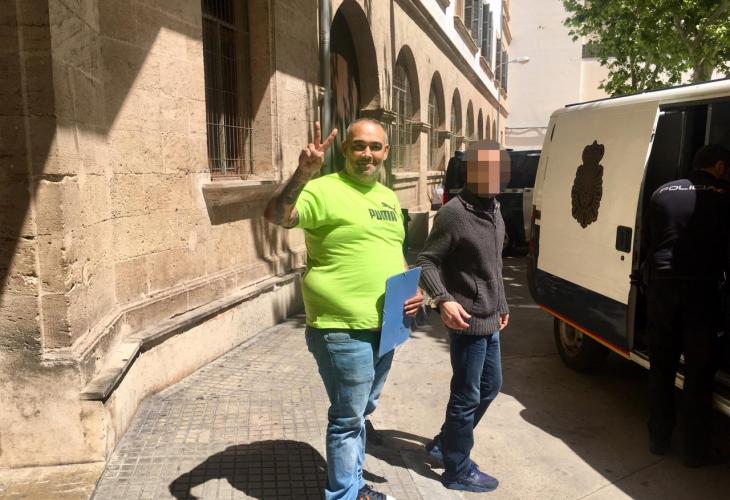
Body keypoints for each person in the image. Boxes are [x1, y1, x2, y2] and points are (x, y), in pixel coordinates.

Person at [264, 118, 424, 500]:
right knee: (348, 418)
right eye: (358, 146)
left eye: (375, 146)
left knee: (362, 409)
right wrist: (303, 173)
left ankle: (354, 485)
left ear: (386, 152)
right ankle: (345, 494)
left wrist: (413, 289)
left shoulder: (388, 198)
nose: (367, 154)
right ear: (345, 150)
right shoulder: (323, 189)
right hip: (341, 327)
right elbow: (276, 216)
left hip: (387, 325)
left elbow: (394, 252)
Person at [416, 140, 510, 492]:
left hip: (491, 317)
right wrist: (442, 299)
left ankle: (445, 443)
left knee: (491, 386)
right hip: (467, 321)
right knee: (466, 396)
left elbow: (494, 264)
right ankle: (456, 468)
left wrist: (502, 304)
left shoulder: (494, 208)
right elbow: (427, 261)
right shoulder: (454, 213)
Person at [643, 144, 730, 467]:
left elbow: (651, 241)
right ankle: (695, 451)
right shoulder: (724, 195)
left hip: (662, 288)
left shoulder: (662, 192)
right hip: (701, 291)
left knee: (661, 367)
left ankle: (659, 439)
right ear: (719, 166)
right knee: (698, 372)